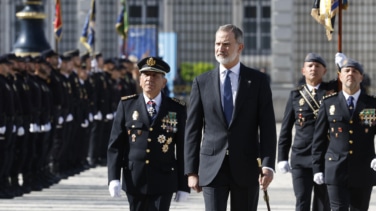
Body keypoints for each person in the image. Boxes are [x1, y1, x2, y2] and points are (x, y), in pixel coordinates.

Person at [184, 24, 277, 211]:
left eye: (226, 44)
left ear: (240, 47)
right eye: (217, 43)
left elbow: (267, 128)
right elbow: (192, 130)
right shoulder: (202, 82)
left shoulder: (257, 81)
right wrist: (191, 171)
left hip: (247, 167)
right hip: (212, 167)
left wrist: (268, 166)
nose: (220, 48)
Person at [107, 56, 190, 211]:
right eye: (145, 75)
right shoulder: (127, 105)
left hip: (164, 178)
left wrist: (183, 185)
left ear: (163, 82)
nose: (149, 79)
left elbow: (183, 149)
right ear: (139, 79)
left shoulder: (176, 108)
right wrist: (113, 178)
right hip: (134, 178)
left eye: (155, 76)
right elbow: (115, 145)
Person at [312, 54, 376, 211]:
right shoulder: (329, 103)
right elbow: (319, 139)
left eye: (355, 71)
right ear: (340, 76)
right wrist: (317, 168)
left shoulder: (371, 104)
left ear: (361, 77)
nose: (350, 74)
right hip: (335, 169)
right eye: (346, 71)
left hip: (363, 169)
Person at [277, 53, 333, 211]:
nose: (313, 69)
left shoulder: (331, 92)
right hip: (301, 157)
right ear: (303, 70)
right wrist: (282, 157)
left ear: (324, 71)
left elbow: (347, 80)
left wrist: (341, 66)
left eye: (317, 66)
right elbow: (286, 129)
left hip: (324, 156)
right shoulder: (295, 95)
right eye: (310, 66)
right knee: (302, 201)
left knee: (323, 204)